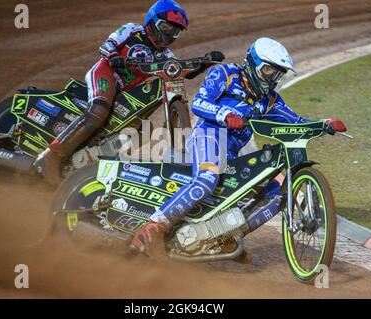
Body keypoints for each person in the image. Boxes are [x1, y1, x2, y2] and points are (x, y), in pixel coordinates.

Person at [130, 37, 347, 254]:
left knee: (276, 195)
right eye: (269, 71)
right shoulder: (225, 74)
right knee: (207, 178)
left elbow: (297, 123)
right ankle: (153, 227)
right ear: (253, 63)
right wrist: (224, 114)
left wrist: (323, 124)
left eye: (278, 74)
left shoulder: (270, 100)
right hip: (209, 134)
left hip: (234, 152)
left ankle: (226, 237)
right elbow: (198, 102)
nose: (273, 79)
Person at [36, 0, 224, 185]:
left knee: (137, 132)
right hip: (106, 73)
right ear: (152, 21)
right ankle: (51, 155)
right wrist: (114, 56)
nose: (169, 34)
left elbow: (183, 72)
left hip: (125, 92)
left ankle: (90, 164)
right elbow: (107, 45)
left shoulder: (166, 56)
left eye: (175, 31)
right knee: (99, 111)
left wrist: (204, 62)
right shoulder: (132, 30)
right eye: (166, 27)